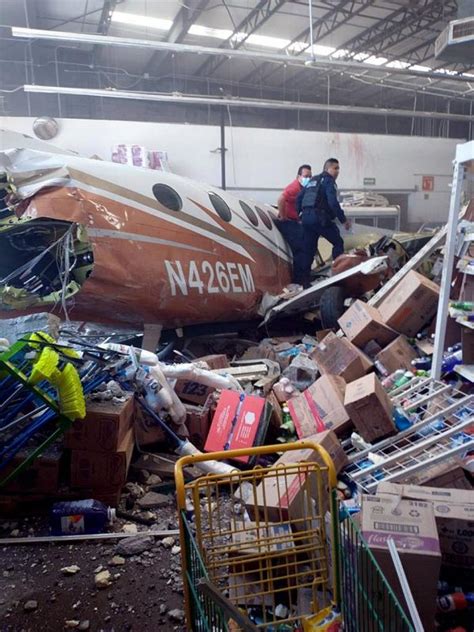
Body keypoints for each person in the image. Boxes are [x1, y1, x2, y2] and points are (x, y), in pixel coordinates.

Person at [297, 158, 352, 288]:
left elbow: (299, 198)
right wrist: (343, 220)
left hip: (306, 219)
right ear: (328, 169)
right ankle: (338, 277)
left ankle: (304, 283)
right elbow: (333, 202)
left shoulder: (313, 180)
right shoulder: (328, 181)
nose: (338, 171)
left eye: (338, 168)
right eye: (335, 168)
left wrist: (299, 215)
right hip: (319, 218)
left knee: (308, 250)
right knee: (338, 242)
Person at [275, 164, 312, 286]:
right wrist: (283, 216)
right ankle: (299, 281)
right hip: (288, 222)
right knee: (300, 250)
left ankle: (304, 278)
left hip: (295, 221)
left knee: (305, 248)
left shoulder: (303, 189)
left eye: (310, 176)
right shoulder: (295, 187)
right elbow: (281, 198)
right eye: (306, 176)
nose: (308, 178)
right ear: (298, 177)